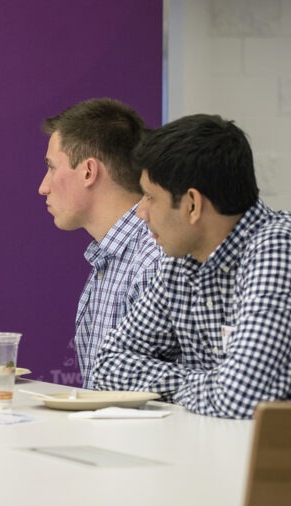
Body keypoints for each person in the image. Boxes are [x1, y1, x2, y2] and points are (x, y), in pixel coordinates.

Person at [93, 114, 291, 419]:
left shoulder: (278, 248)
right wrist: (206, 380)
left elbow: (240, 398)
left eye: (149, 197)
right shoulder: (180, 263)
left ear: (192, 204)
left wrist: (183, 385)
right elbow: (106, 367)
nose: (141, 213)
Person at [39, 98, 162, 388]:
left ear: (88, 172)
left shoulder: (152, 261)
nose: (43, 186)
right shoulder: (111, 258)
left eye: (52, 168)